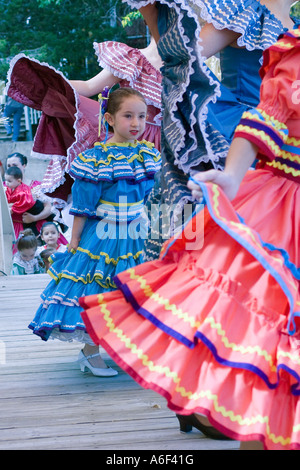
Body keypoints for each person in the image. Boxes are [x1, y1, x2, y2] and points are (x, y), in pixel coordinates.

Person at [79, 25, 300, 450]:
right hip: (248, 184)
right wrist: (233, 175)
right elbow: (264, 114)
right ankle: (205, 407)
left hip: (201, 163)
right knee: (239, 327)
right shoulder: (273, 38)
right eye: (129, 117)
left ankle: (205, 409)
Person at [133, 0, 296, 261]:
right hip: (235, 131)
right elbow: (181, 57)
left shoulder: (295, 29)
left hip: (285, 143)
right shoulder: (246, 13)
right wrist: (152, 15)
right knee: (226, 238)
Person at [28, 87, 161, 378]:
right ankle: (90, 353)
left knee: (137, 291)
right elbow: (84, 206)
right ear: (110, 119)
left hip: (139, 233)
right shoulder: (95, 159)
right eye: (128, 116)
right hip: (103, 236)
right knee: (98, 291)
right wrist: (74, 240)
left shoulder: (148, 154)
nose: (136, 123)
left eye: (141, 116)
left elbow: (153, 197)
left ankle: (131, 349)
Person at [4, 35, 162, 215]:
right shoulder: (132, 59)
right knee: (120, 209)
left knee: (167, 214)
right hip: (128, 141)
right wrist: (52, 88)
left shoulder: (189, 64)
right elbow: (88, 86)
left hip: (173, 144)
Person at [5, 152, 69, 246]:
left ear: (24, 165)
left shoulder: (37, 186)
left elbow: (49, 207)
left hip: (38, 226)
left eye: (15, 165)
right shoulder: (3, 187)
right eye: (9, 165)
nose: (12, 168)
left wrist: (34, 218)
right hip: (12, 230)